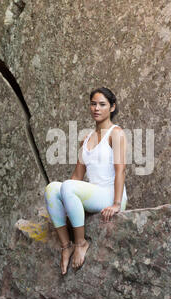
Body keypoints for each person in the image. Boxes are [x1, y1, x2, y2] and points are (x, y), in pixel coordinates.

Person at [44, 87, 128, 275]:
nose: (96, 108)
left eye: (102, 104)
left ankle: (81, 243)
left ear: (112, 107)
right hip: (93, 193)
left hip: (111, 194)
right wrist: (64, 200)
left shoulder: (116, 133)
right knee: (52, 189)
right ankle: (66, 245)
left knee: (67, 187)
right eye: (93, 104)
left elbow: (120, 169)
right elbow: (76, 176)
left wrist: (116, 204)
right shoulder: (87, 138)